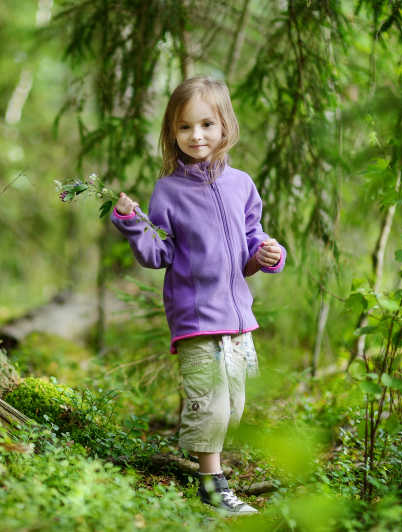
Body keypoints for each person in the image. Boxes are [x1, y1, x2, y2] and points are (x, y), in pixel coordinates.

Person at [110, 77, 286, 516]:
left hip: (238, 319)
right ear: (173, 131)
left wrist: (268, 254)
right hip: (196, 319)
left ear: (225, 126)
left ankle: (215, 472)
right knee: (209, 403)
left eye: (207, 124)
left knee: (235, 407)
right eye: (185, 127)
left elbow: (250, 244)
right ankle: (211, 485)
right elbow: (159, 252)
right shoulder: (168, 190)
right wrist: (132, 221)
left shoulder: (242, 184)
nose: (197, 135)